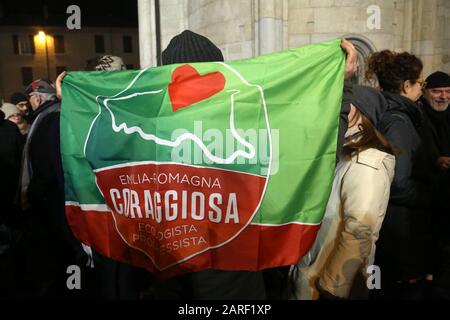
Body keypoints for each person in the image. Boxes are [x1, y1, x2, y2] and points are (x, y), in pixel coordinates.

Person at [292, 86, 396, 300]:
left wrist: (333, 288)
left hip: (327, 285)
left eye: (343, 107)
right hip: (312, 272)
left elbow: (360, 230)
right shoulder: (344, 155)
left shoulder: (366, 164)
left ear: (363, 117)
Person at [366, 50, 435, 299]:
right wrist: (432, 196)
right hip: (400, 231)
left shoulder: (394, 115)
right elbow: (398, 183)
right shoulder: (398, 121)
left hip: (398, 229)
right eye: (421, 83)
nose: (422, 88)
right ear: (406, 86)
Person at [418, 71, 450, 297]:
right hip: (426, 195)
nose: (443, 97)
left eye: (448, 92)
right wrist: (434, 160)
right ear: (425, 92)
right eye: (437, 91)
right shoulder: (417, 115)